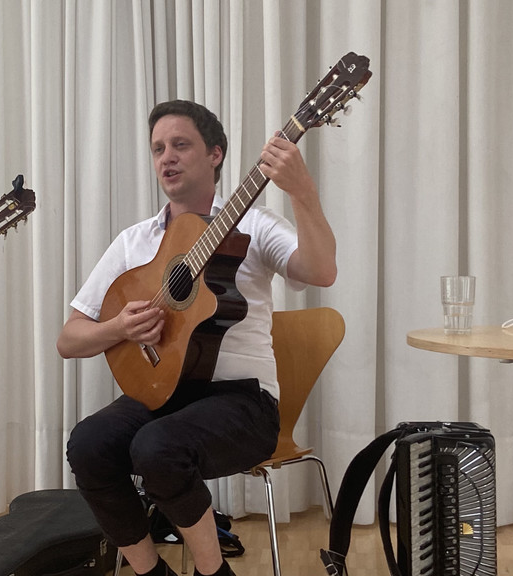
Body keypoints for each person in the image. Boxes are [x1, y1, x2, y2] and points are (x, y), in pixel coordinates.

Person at [57, 100, 337, 576]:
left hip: (243, 402)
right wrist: (118, 328)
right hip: (161, 393)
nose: (166, 157)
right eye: (158, 148)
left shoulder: (254, 226)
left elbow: (321, 271)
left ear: (215, 154)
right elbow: (70, 339)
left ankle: (214, 573)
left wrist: (302, 192)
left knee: (157, 447)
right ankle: (151, 572)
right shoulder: (134, 242)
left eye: (180, 145)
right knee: (88, 444)